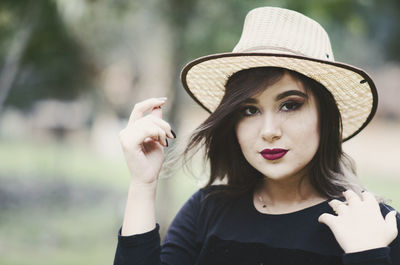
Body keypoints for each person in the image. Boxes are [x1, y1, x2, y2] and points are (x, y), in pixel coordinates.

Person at [113, 6, 400, 265]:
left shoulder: (373, 225)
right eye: (249, 110)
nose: (269, 132)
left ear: (324, 117)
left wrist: (368, 256)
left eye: (290, 105)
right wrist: (142, 183)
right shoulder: (208, 210)